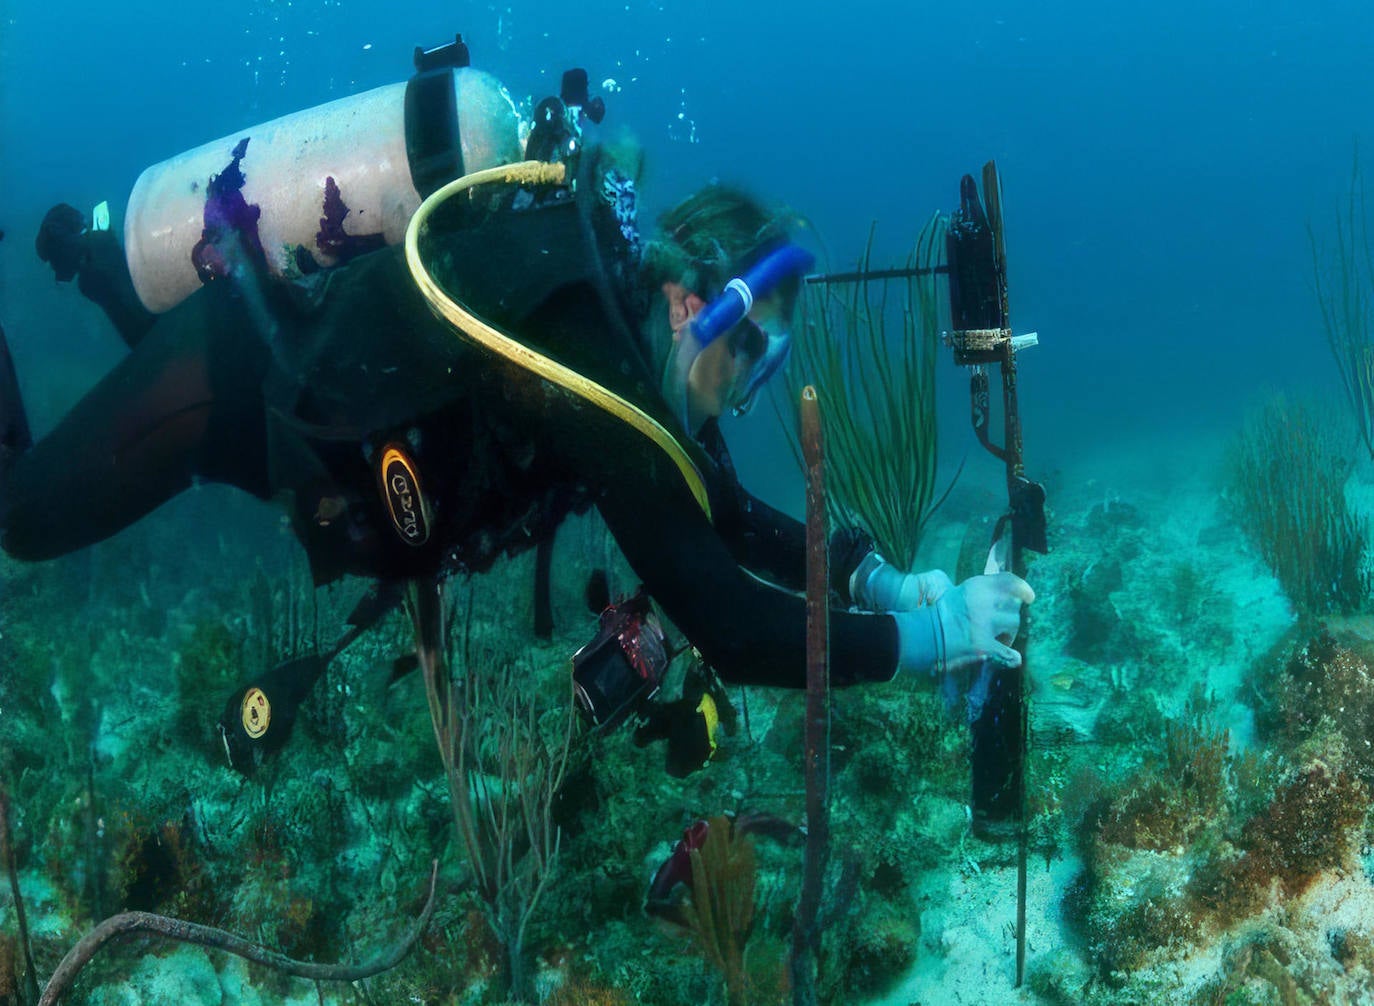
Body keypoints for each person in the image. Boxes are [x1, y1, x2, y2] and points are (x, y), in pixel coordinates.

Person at [0, 59, 1031, 720]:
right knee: (22, 514)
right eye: (745, 350)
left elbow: (723, 516)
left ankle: (83, 256)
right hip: (235, 380)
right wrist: (927, 641)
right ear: (685, 303)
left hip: (299, 444)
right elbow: (733, 624)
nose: (749, 388)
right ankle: (90, 261)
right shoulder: (584, 350)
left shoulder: (625, 361)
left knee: (120, 339)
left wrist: (880, 582)